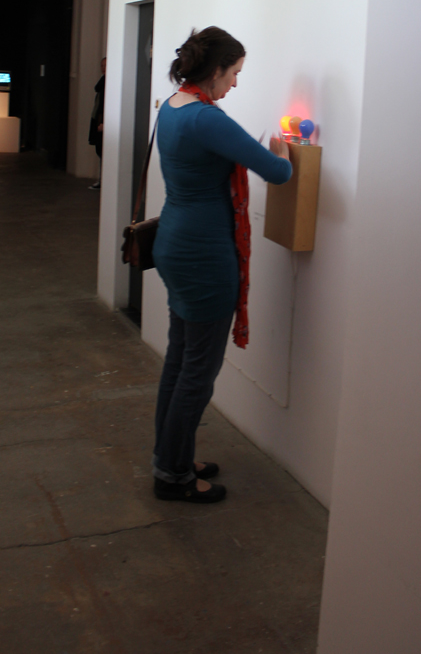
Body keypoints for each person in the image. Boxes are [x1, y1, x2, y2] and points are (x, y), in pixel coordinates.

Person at [151, 26, 292, 503]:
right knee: (197, 372)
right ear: (215, 70)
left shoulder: (173, 108)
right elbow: (277, 171)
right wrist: (282, 150)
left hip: (175, 244)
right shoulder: (206, 120)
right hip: (205, 256)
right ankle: (173, 477)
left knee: (179, 361)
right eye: (234, 74)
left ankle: (171, 457)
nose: (235, 84)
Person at [88, 57, 106, 190]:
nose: (103, 68)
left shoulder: (108, 82)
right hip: (98, 120)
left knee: (102, 151)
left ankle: (104, 181)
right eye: (102, 65)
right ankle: (102, 180)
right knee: (100, 150)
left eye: (105, 65)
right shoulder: (103, 82)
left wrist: (103, 122)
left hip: (101, 121)